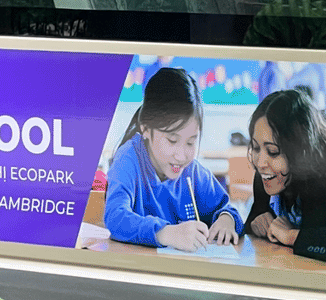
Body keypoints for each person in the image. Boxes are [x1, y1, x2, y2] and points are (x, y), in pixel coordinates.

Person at [104, 67, 242, 250]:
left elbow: (227, 209)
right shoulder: (128, 160)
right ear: (145, 128)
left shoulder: (193, 172)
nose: (181, 155)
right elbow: (115, 217)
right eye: (172, 140)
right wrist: (166, 233)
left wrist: (227, 220)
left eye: (191, 143)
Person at [243, 89, 326, 269]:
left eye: (273, 152)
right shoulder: (268, 177)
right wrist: (256, 224)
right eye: (256, 148)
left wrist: (291, 235)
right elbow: (255, 222)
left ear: (300, 150)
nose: (260, 163)